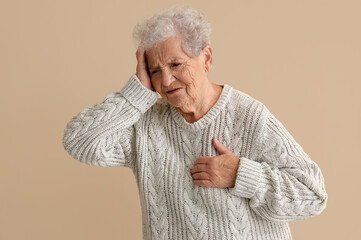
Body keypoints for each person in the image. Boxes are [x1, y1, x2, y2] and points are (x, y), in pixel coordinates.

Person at [62, 6, 327, 240]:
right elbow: (79, 142)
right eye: (155, 71)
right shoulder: (146, 124)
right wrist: (137, 94)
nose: (166, 81)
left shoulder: (247, 115)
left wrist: (242, 175)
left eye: (176, 64)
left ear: (207, 58)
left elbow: (312, 196)